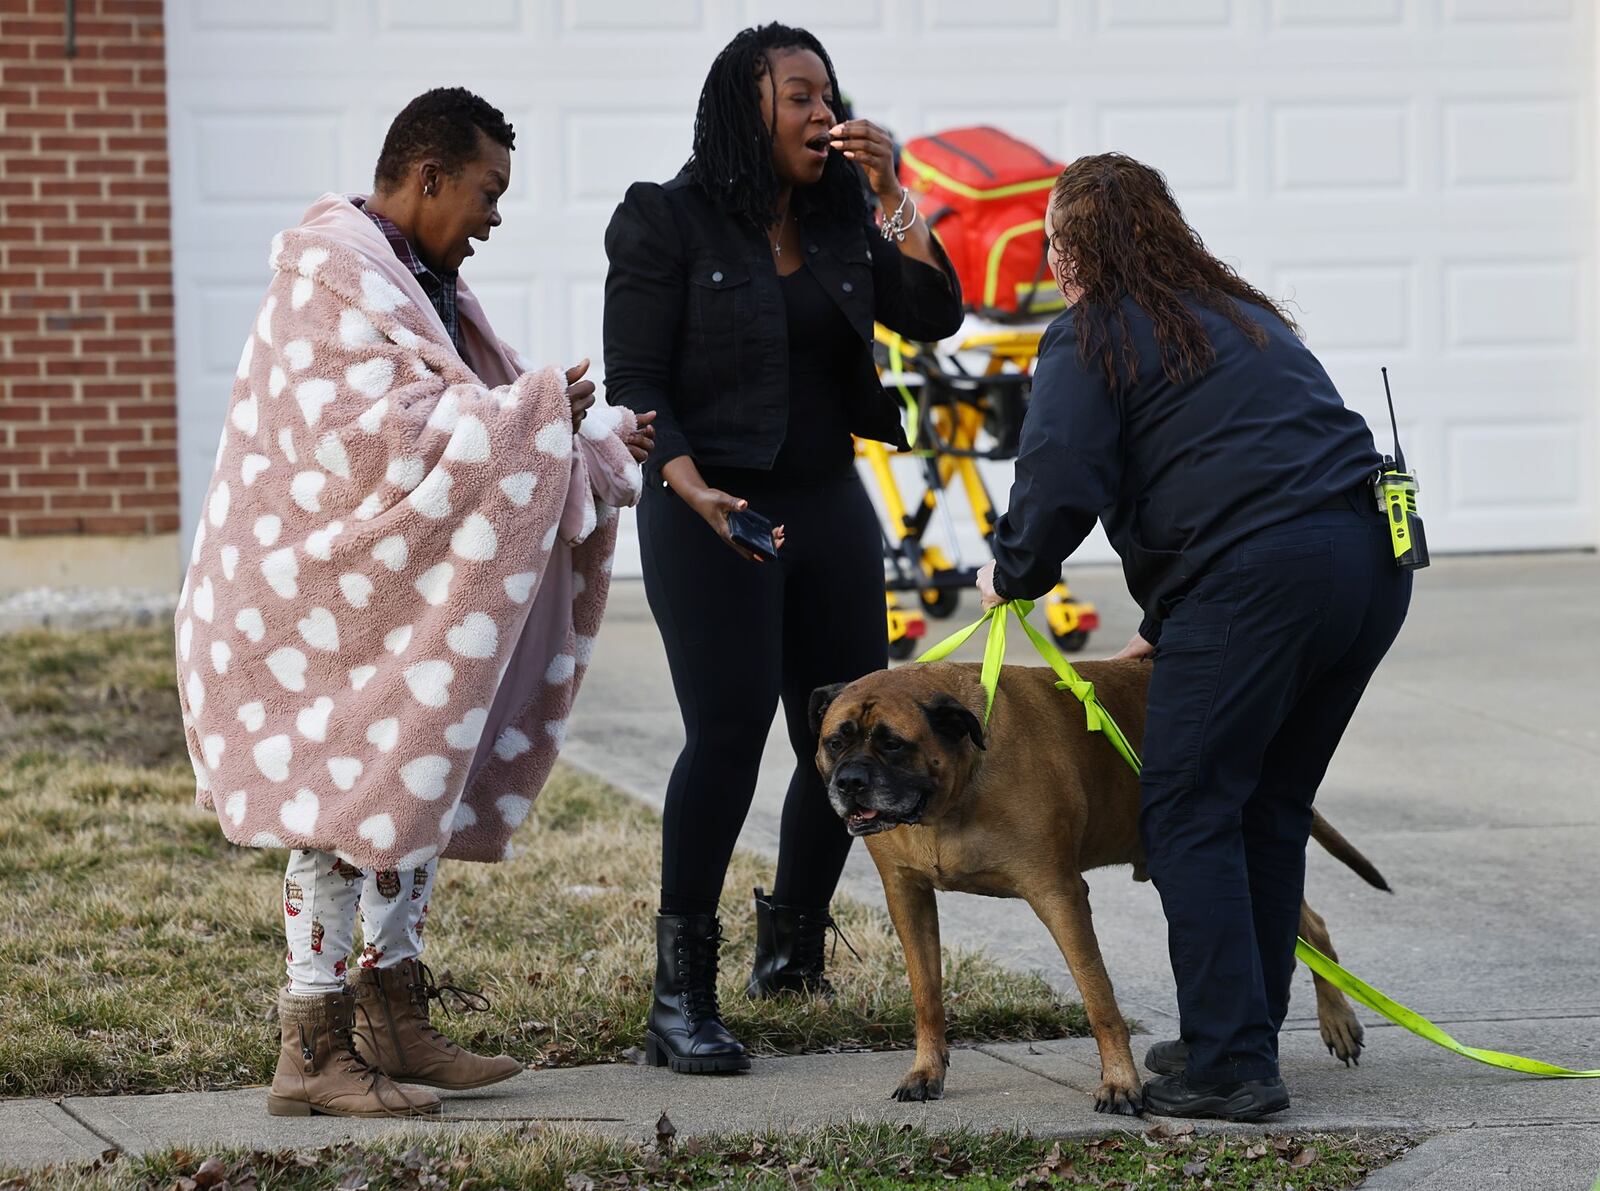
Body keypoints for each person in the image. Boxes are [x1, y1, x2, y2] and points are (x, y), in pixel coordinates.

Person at [175, 87, 654, 1119]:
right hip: (312, 603)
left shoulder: (417, 279)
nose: (493, 217)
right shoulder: (333, 281)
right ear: (429, 177)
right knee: (336, 820)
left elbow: (458, 422)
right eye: (486, 193)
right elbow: (367, 444)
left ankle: (393, 1018)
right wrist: (533, 410)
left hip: (377, 605)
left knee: (405, 798)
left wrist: (581, 441)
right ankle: (310, 1050)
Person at [977, 153, 1411, 1121]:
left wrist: (1007, 573)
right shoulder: (1242, 317)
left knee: (1184, 807)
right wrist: (1172, 627)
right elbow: (1243, 464)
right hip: (1369, 570)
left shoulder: (1090, 332)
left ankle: (1228, 1062)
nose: (1049, 263)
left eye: (1053, 240)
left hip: (1262, 582)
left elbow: (1058, 481)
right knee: (1261, 802)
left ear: (1078, 246)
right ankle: (1237, 1038)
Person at [602, 23, 963, 1074]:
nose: (822, 114)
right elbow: (638, 381)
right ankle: (681, 999)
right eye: (798, 98)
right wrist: (692, 490)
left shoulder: (847, 211)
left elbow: (932, 313)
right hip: (709, 505)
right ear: (743, 110)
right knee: (724, 735)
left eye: (828, 96)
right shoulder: (663, 219)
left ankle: (793, 954)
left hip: (824, 499)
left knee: (844, 724)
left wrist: (896, 195)